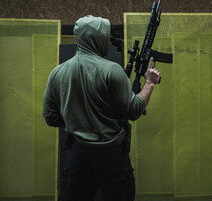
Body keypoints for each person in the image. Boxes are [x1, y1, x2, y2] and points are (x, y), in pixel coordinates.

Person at [43, 15, 160, 201]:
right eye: (105, 37)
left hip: (77, 155)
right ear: (95, 39)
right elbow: (134, 110)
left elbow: (50, 117)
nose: (108, 41)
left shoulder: (57, 73)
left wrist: (78, 121)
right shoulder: (112, 70)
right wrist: (150, 83)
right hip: (111, 156)